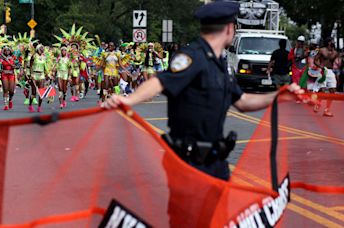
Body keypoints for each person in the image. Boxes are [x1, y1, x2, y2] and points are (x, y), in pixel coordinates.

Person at [103, 1, 303, 181]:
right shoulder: (192, 56)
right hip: (189, 163)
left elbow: (242, 102)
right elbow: (160, 81)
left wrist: (278, 95)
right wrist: (130, 100)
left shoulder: (221, 64)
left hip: (216, 162)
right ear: (229, 29)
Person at [314, 37, 339, 117]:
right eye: (332, 41)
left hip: (331, 71)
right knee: (322, 90)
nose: (333, 42)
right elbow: (315, 60)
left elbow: (337, 61)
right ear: (328, 42)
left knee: (332, 90)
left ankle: (327, 110)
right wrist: (320, 67)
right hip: (323, 70)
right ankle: (318, 104)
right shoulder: (322, 50)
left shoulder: (335, 52)